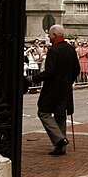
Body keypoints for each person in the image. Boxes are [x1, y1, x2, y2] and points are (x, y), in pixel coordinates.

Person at [26, 24, 80, 156]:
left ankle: (59, 139)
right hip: (65, 88)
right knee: (60, 114)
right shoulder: (70, 49)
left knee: (43, 112)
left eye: (50, 35)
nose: (49, 37)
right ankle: (60, 147)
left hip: (53, 89)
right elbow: (76, 69)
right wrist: (69, 81)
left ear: (55, 35)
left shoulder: (54, 50)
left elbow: (49, 72)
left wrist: (33, 78)